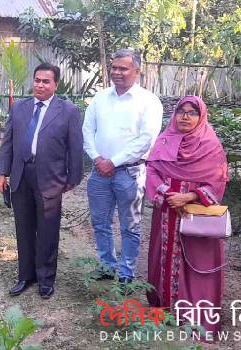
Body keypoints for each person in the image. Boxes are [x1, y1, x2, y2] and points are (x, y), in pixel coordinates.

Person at [0, 63, 84, 299]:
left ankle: (45, 278)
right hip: (21, 175)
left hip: (50, 178)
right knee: (23, 227)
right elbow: (8, 143)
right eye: (37, 80)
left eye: (46, 81)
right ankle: (26, 275)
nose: (40, 85)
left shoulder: (67, 111)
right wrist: (2, 172)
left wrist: (73, 178)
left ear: (55, 84)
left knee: (47, 230)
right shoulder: (19, 108)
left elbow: (75, 147)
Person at [145, 95, 228, 334]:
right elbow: (152, 170)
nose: (185, 116)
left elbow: (217, 180)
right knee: (164, 257)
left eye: (192, 112)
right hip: (166, 214)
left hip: (196, 215)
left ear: (201, 117)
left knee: (196, 263)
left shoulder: (210, 145)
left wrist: (189, 197)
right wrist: (168, 194)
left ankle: (194, 315)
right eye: (181, 111)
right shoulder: (163, 140)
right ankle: (164, 308)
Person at [82, 49, 163, 284]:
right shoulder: (100, 98)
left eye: (123, 68)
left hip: (131, 173)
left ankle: (127, 273)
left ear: (136, 72)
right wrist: (98, 158)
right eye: (114, 67)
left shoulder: (148, 101)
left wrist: (113, 162)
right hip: (99, 172)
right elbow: (87, 130)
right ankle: (107, 266)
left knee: (130, 226)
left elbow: (146, 139)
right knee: (100, 223)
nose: (116, 72)